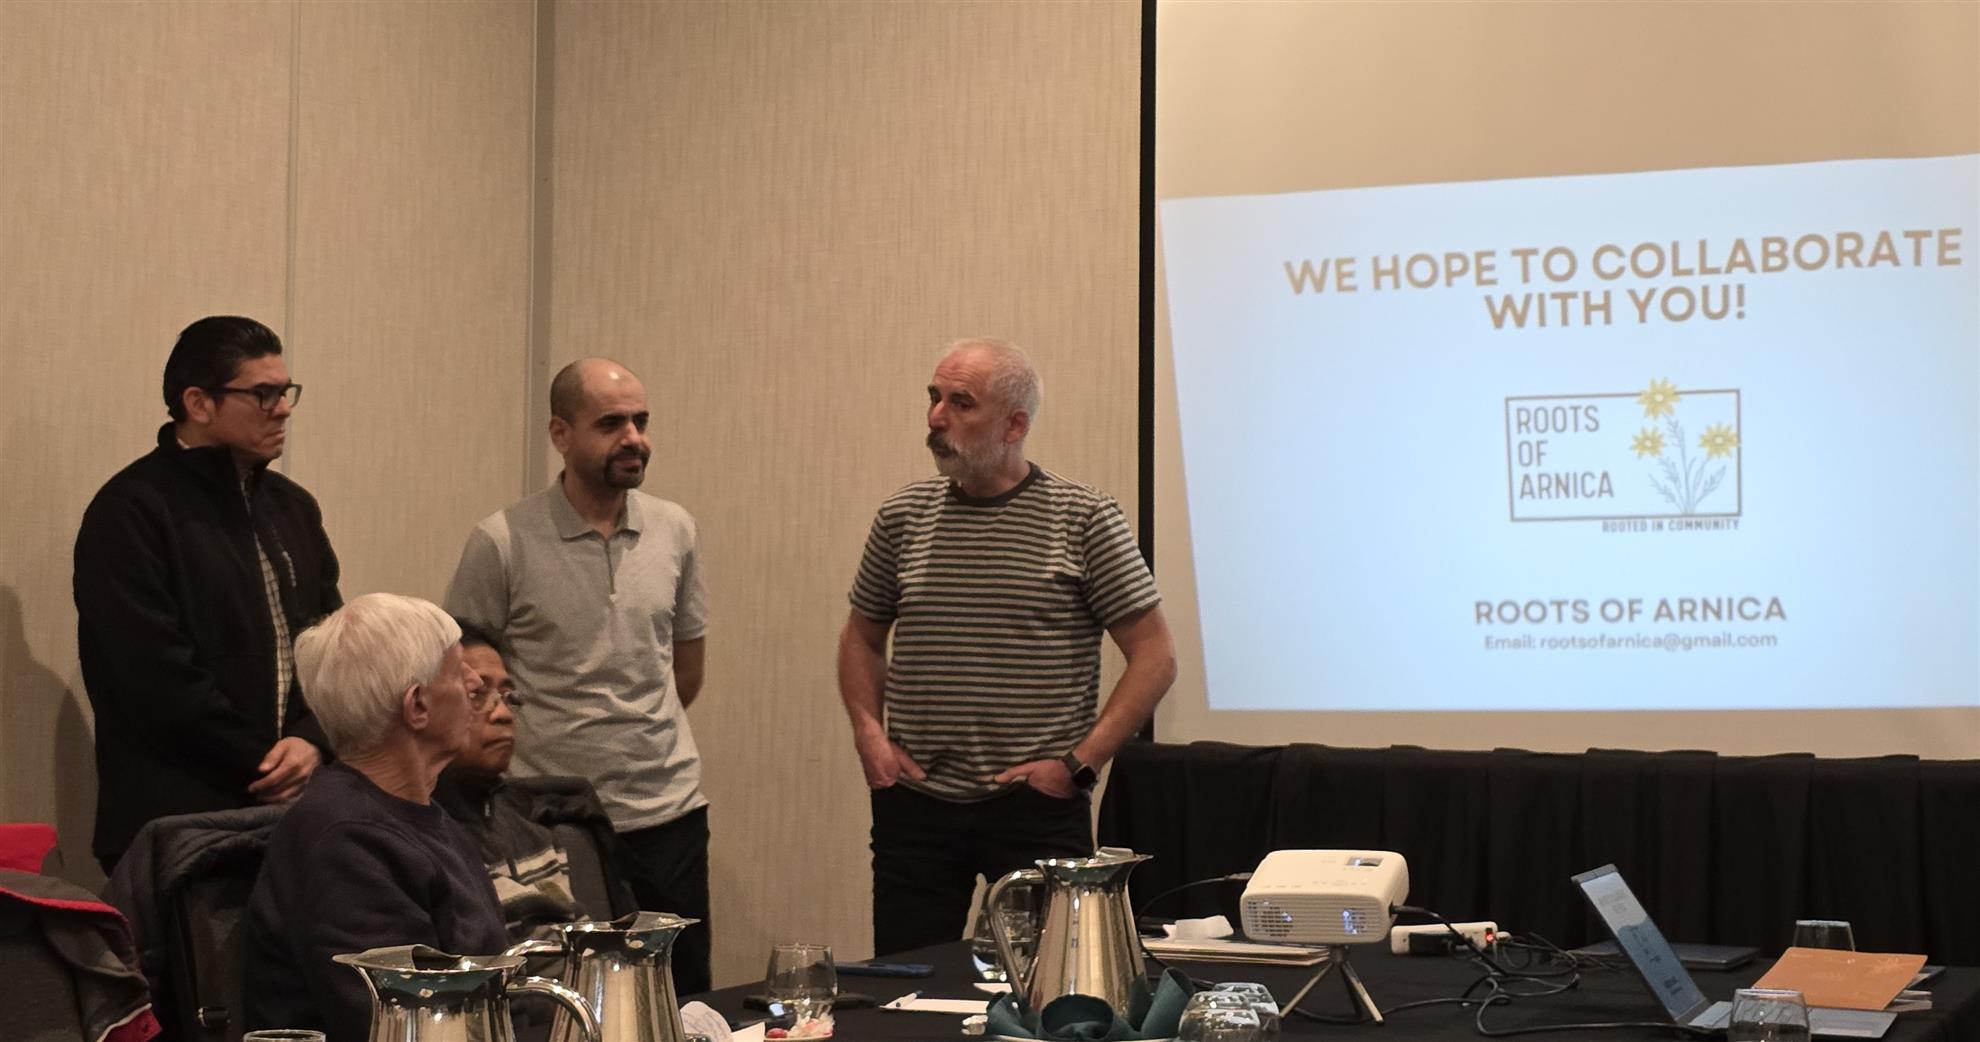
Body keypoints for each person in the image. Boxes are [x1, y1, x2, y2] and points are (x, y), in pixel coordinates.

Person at [838, 337, 1179, 956]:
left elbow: (1155, 655)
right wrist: (869, 733)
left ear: (1015, 424)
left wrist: (1078, 765)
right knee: (905, 983)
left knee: (1045, 986)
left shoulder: (1083, 516)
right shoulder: (903, 516)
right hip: (915, 804)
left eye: (961, 403)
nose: (936, 417)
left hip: (1036, 806)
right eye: (934, 397)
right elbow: (862, 637)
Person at [444, 357, 712, 992]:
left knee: (680, 996)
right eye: (611, 423)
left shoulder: (675, 528)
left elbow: (686, 668)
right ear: (560, 434)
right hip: (550, 821)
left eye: (641, 421)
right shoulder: (501, 540)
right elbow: (466, 673)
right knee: (569, 997)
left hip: (667, 811)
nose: (634, 438)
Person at [74, 315, 341, 873]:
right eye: (263, 394)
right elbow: (149, 678)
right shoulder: (130, 511)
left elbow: (333, 645)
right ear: (198, 403)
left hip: (293, 809)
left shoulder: (293, 507)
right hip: (179, 823)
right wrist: (264, 761)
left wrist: (313, 739)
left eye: (286, 391)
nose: (283, 409)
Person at [241, 593, 506, 1041]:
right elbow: (409, 1026)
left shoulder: (422, 816)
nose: (475, 681)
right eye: (455, 669)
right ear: (417, 706)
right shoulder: (345, 842)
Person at [432, 617, 636, 941]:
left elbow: (579, 950)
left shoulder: (536, 836)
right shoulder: (424, 843)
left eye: (507, 696)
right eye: (476, 694)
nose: (503, 714)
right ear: (422, 707)